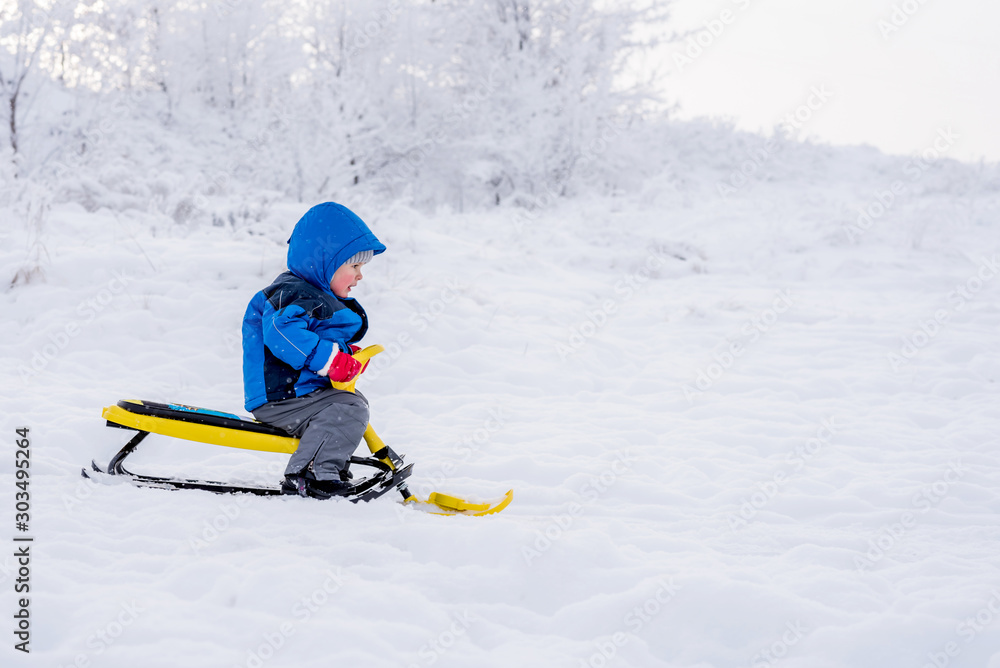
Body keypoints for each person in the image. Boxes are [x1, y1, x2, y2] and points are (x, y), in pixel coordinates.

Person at [241, 202, 386, 498]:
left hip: (299, 394)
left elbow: (314, 337)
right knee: (347, 409)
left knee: (351, 403)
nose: (360, 275)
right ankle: (312, 474)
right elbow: (283, 334)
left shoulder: (313, 294)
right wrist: (332, 362)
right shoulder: (294, 294)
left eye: (362, 267)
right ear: (325, 263)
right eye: (354, 266)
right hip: (281, 397)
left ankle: (328, 464)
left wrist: (346, 356)